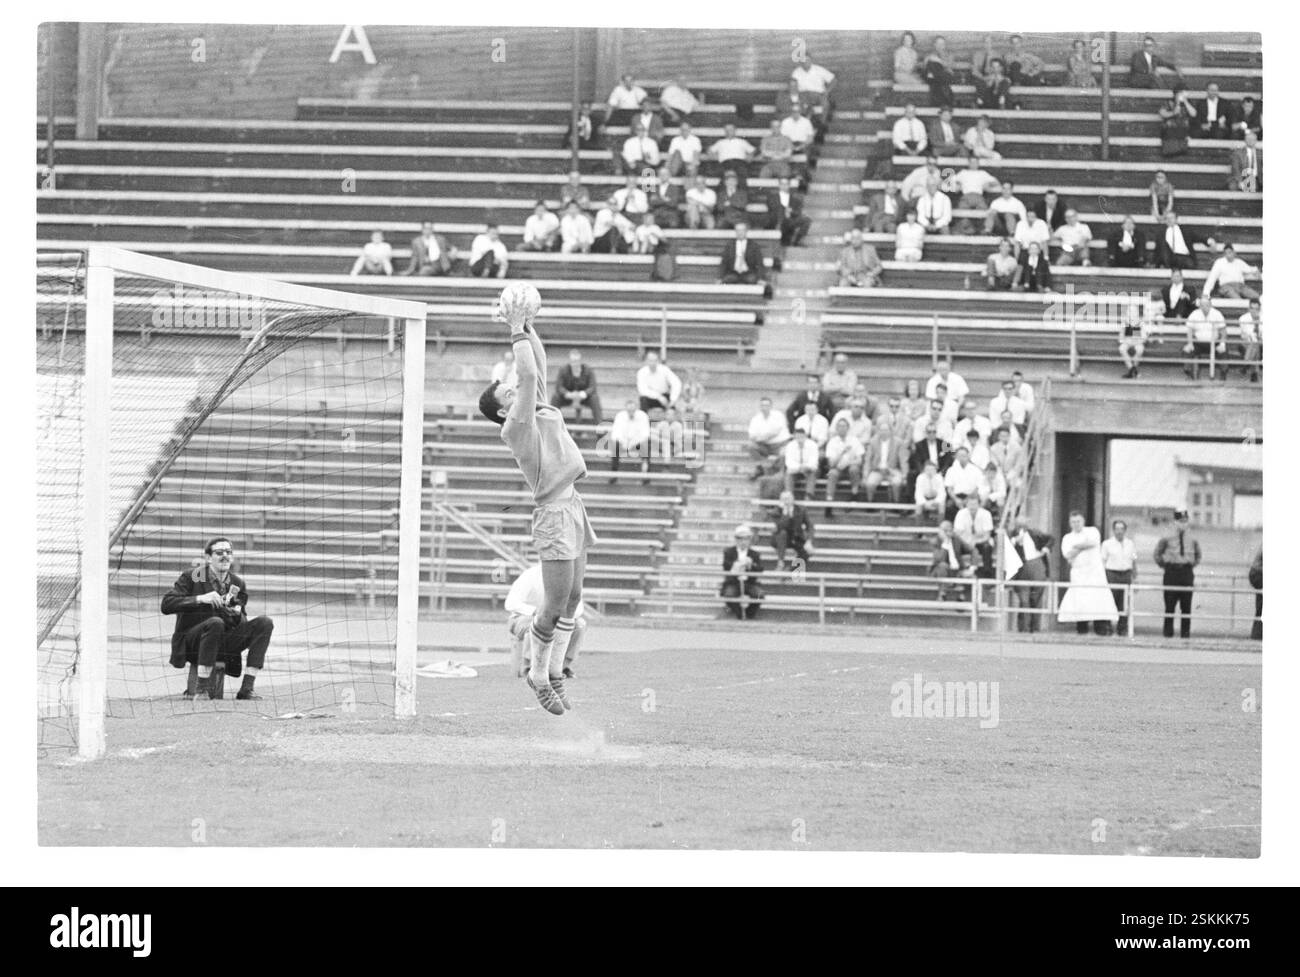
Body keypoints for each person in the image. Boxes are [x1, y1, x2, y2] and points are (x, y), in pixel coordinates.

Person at [478, 286, 596, 714]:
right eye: (505, 392)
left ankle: (556, 671)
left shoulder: (537, 408)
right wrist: (514, 331)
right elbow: (526, 376)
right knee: (550, 607)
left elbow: (537, 367)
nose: (514, 388)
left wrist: (528, 326)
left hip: (572, 506)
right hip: (553, 514)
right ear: (504, 409)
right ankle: (540, 674)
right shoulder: (516, 427)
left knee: (573, 598)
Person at [163, 537, 274, 700]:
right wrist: (201, 598)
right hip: (193, 643)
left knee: (264, 623)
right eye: (219, 552)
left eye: (228, 552)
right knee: (215, 623)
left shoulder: (237, 583)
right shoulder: (193, 576)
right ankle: (201, 690)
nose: (225, 556)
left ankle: (246, 688)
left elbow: (240, 620)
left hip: (222, 642)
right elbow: (166, 604)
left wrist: (236, 615)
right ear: (208, 558)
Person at [506, 564, 585, 679]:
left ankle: (561, 667)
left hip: (556, 618)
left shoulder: (569, 578)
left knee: (580, 625)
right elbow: (511, 603)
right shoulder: (530, 575)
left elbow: (578, 607)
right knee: (537, 623)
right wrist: (536, 612)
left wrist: (560, 616)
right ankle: (528, 667)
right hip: (523, 617)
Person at [1058, 511, 1118, 635]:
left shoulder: (1092, 531)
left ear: (1083, 521)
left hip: (1095, 574)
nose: (1076, 524)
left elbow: (1093, 543)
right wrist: (1081, 547)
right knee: (1080, 603)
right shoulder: (1067, 537)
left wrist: (1076, 547)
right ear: (1070, 523)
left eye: (1078, 521)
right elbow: (1067, 555)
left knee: (1098, 602)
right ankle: (1082, 630)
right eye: (1073, 522)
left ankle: (1101, 630)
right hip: (1079, 574)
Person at [1153, 509, 1200, 639]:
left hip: (1186, 573)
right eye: (1181, 521)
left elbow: (1198, 555)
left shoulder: (1192, 538)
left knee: (1186, 608)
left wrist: (1189, 564)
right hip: (1171, 573)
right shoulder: (1167, 536)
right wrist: (1165, 565)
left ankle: (1185, 637)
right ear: (1175, 522)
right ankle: (1168, 636)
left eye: (1185, 521)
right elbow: (1157, 553)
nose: (1183, 524)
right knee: (1169, 607)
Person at [1008, 518, 1052, 632]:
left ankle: (1035, 629)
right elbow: (1006, 547)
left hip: (1037, 565)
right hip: (1021, 569)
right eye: (1019, 526)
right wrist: (1015, 541)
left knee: (1036, 599)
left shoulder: (1034, 533)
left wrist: (1046, 548)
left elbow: (1051, 539)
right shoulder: (1011, 535)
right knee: (1024, 600)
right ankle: (1023, 629)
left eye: (1023, 526)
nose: (1021, 528)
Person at [1100, 519, 1138, 637]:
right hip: (1112, 574)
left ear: (1125, 530)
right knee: (1110, 602)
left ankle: (1122, 629)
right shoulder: (1107, 544)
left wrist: (1135, 578)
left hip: (1126, 574)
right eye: (1117, 529)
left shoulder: (1130, 544)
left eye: (1121, 529)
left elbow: (1134, 561)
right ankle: (1107, 628)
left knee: (1124, 604)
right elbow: (1103, 561)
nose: (1119, 531)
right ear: (1113, 530)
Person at [721, 525, 765, 620]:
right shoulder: (728, 552)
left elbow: (760, 569)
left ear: (750, 540)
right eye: (740, 539)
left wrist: (751, 565)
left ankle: (750, 614)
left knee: (759, 595)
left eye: (746, 539)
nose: (743, 542)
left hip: (749, 583)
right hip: (734, 582)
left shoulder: (755, 554)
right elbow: (726, 566)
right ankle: (740, 614)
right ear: (736, 540)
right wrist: (737, 564)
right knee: (729, 594)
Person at [551, 349, 602, 423]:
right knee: (555, 397)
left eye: (577, 361)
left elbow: (592, 387)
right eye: (573, 361)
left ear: (580, 361)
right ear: (570, 361)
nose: (575, 363)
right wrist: (567, 393)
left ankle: (600, 426)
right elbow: (559, 387)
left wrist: (584, 393)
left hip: (584, 398)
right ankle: (552, 423)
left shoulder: (588, 370)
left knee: (594, 398)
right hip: (568, 398)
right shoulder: (563, 370)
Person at [1184, 295, 1227, 381]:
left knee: (1224, 352)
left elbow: (1223, 331)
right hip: (1199, 343)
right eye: (1202, 305)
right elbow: (1189, 330)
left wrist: (1222, 344)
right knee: (1186, 350)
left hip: (1214, 342)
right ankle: (1189, 372)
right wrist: (1190, 343)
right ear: (1199, 305)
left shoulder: (1217, 314)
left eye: (1207, 305)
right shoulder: (1194, 314)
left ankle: (1223, 373)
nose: (1204, 307)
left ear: (1210, 305)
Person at [929, 520, 974, 600]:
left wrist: (972, 567)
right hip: (940, 570)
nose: (948, 533)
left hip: (956, 569)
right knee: (943, 566)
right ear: (940, 531)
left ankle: (963, 598)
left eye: (950, 530)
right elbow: (940, 559)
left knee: (971, 575)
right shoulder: (935, 541)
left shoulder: (956, 540)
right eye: (945, 531)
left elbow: (971, 549)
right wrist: (945, 544)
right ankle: (943, 593)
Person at [862, 426, 906, 503]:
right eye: (881, 430)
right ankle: (870, 503)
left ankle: (896, 503)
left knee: (897, 482)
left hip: (892, 470)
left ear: (890, 431)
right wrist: (865, 475)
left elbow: (903, 460)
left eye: (886, 430)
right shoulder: (873, 442)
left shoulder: (898, 442)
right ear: (878, 431)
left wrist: (904, 475)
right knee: (870, 483)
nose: (883, 432)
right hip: (877, 470)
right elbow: (867, 460)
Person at [771, 490, 816, 568]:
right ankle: (780, 561)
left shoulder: (801, 509)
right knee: (783, 533)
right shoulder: (776, 511)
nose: (786, 501)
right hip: (779, 539)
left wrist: (809, 541)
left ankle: (789, 571)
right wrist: (785, 513)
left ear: (793, 499)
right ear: (780, 501)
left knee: (807, 552)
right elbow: (781, 526)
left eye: (788, 498)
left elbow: (810, 526)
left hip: (796, 538)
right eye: (783, 499)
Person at [953, 495, 994, 577]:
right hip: (965, 543)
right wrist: (967, 544)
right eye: (970, 504)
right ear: (966, 505)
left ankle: (987, 574)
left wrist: (975, 542)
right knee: (955, 545)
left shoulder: (986, 514)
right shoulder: (961, 514)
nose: (972, 507)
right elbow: (957, 534)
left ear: (979, 504)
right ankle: (959, 571)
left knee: (987, 547)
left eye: (974, 504)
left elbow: (987, 536)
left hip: (981, 542)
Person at [766, 176, 811, 247]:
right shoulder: (772, 197)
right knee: (780, 211)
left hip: (789, 221)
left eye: (786, 184)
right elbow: (772, 207)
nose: (784, 186)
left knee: (806, 220)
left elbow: (798, 212)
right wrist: (785, 209)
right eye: (782, 184)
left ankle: (797, 241)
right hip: (776, 221)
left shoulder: (795, 199)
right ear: (779, 185)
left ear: (789, 185)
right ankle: (784, 238)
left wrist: (791, 211)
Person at [608, 399, 650, 472]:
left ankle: (646, 473)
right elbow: (615, 434)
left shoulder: (643, 416)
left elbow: (645, 434)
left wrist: (632, 443)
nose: (631, 412)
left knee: (646, 444)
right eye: (629, 410)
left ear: (636, 409)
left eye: (633, 410)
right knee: (615, 445)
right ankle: (614, 472)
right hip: (623, 443)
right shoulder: (620, 416)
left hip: (637, 444)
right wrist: (624, 443)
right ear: (626, 409)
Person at [782, 427, 820, 500]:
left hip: (809, 469)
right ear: (794, 437)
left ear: (805, 436)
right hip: (795, 470)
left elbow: (814, 461)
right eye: (797, 436)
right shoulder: (790, 446)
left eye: (801, 436)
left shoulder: (813, 445)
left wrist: (806, 467)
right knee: (788, 474)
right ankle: (789, 495)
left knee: (813, 472)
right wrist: (800, 467)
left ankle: (809, 495)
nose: (799, 438)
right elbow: (789, 462)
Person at [1118, 300, 1151, 379]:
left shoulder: (1140, 322)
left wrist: (1137, 341)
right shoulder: (1125, 322)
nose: (1131, 313)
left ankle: (1132, 371)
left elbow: (1144, 337)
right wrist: (1125, 340)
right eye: (1129, 311)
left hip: (1138, 342)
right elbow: (1121, 336)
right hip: (1128, 341)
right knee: (1122, 348)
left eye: (1133, 311)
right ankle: (1132, 369)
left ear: (1136, 312)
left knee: (1140, 349)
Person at [921, 35, 956, 108]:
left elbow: (949, 66)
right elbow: (924, 67)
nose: (940, 46)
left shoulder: (949, 55)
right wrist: (929, 60)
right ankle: (947, 100)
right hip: (936, 78)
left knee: (935, 76)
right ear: (934, 45)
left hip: (945, 76)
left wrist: (938, 60)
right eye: (938, 44)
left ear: (945, 45)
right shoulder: (929, 55)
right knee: (931, 64)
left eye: (942, 44)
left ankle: (936, 103)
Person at [1157, 91, 1194, 158]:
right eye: (1180, 93)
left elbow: (1194, 114)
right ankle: (1171, 152)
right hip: (1170, 128)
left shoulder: (1188, 103)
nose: (1181, 95)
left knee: (1182, 133)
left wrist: (1185, 102)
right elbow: (1162, 113)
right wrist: (1176, 107)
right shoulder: (1168, 103)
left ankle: (1177, 151)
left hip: (1183, 128)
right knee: (1170, 133)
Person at [1236, 297, 1262, 382]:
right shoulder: (1243, 318)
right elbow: (1249, 333)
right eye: (1252, 308)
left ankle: (1246, 364)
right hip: (1246, 343)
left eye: (1256, 309)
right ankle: (1253, 372)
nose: (1254, 311)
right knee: (1254, 345)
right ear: (1248, 308)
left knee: (1255, 345)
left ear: (1260, 309)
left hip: (1260, 343)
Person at [914, 458, 946, 523]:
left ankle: (939, 527)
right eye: (927, 469)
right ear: (924, 470)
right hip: (924, 499)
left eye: (932, 469)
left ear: (935, 470)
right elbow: (918, 493)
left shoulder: (939, 478)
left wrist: (935, 501)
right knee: (918, 506)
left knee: (942, 505)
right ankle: (919, 530)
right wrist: (925, 502)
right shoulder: (920, 478)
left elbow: (942, 493)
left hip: (935, 499)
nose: (929, 472)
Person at [1249, 546, 1262, 641]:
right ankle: (1257, 635)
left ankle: (1257, 635)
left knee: (1261, 606)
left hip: (1258, 573)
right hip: (1258, 574)